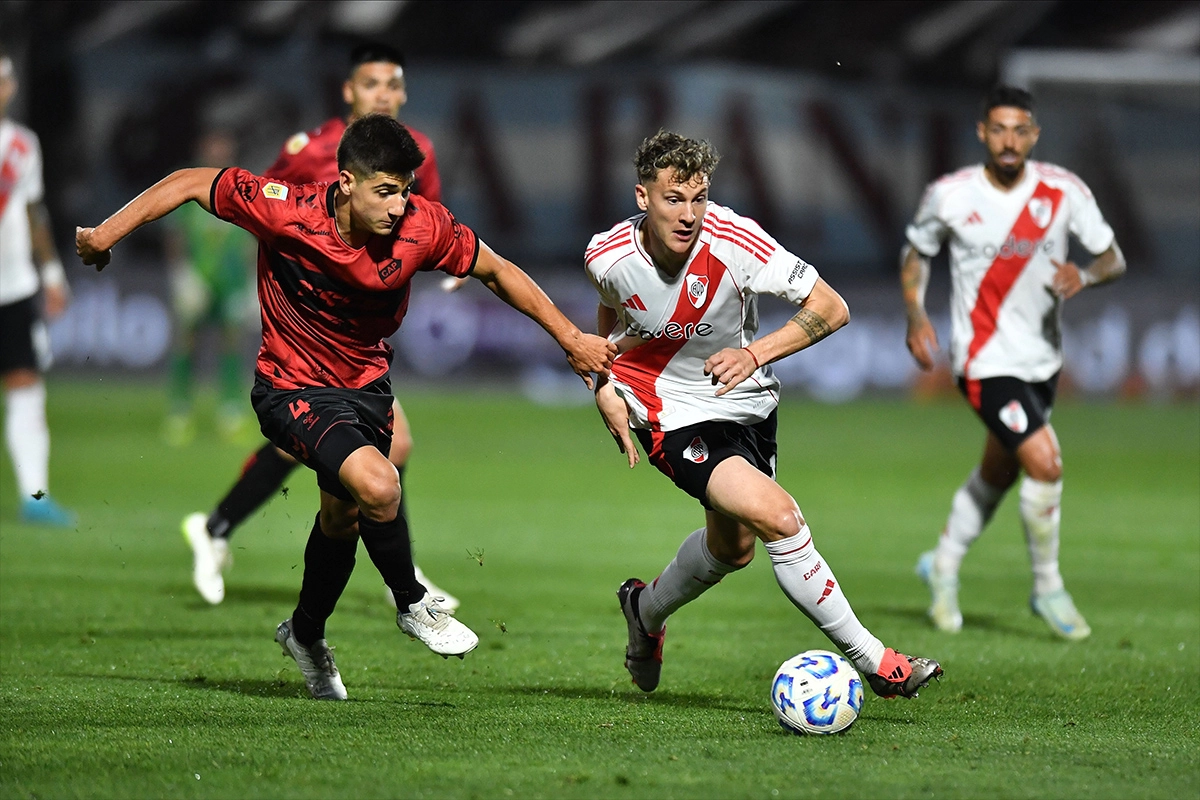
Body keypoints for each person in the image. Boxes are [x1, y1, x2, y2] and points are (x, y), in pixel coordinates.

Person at [77, 114, 616, 700]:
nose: (397, 205)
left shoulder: (421, 227)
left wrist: (571, 338)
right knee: (380, 486)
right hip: (290, 387)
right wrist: (106, 232)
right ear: (345, 183)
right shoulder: (285, 210)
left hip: (366, 391)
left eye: (405, 190)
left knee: (341, 519)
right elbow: (187, 182)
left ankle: (305, 636)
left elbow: (496, 269)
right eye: (384, 191)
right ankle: (412, 603)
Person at [588, 130, 942, 699]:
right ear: (642, 198)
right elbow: (609, 313)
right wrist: (604, 383)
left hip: (746, 407)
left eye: (699, 198)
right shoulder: (606, 256)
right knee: (780, 518)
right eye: (673, 199)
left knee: (733, 549)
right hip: (667, 412)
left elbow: (833, 307)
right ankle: (875, 660)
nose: (688, 214)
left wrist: (755, 353)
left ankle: (644, 609)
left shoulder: (735, 240)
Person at [180, 43, 456, 609]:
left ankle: (217, 527)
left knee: (342, 450)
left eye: (393, 84)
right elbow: (263, 208)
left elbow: (427, 222)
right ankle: (403, 581)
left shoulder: (416, 151)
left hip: (360, 329)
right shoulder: (312, 151)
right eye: (372, 83)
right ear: (349, 91)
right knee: (378, 446)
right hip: (304, 326)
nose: (384, 94)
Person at [902, 86, 1125, 640]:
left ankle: (943, 565)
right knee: (1045, 463)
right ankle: (1047, 587)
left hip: (1042, 360)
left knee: (998, 473)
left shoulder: (1063, 190)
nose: (1008, 140)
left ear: (1034, 135)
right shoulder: (950, 195)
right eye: (997, 129)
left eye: (1019, 130)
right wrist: (914, 311)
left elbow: (1112, 256)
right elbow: (916, 253)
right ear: (982, 132)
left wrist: (1087, 275)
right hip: (982, 360)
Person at [0, 48, 76, 527]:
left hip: (13, 285)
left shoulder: (22, 145)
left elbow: (32, 212)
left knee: (25, 384)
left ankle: (35, 496)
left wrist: (51, 273)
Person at [162, 128, 256, 446]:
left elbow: (252, 238)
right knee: (186, 342)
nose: (218, 154)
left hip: (231, 282)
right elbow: (175, 235)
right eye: (213, 148)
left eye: (223, 148)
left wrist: (253, 279)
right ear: (203, 150)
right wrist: (181, 274)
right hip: (198, 279)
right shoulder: (189, 188)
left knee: (232, 344)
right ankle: (180, 410)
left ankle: (230, 411)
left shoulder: (244, 189)